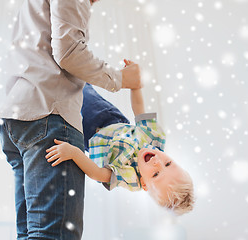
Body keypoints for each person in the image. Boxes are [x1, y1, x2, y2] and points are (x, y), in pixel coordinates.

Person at [0, 1, 142, 239]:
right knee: (53, 235)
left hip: (19, 116)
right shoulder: (152, 139)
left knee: (32, 234)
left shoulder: (132, 176)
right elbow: (69, 51)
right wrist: (121, 79)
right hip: (49, 117)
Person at [45, 61, 195, 216]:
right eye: (168, 163)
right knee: (81, 89)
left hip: (88, 136)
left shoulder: (129, 177)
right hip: (107, 116)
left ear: (144, 184)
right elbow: (139, 110)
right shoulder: (154, 138)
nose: (158, 162)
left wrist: (73, 153)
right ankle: (65, 64)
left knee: (62, 106)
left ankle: (46, 79)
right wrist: (135, 86)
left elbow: (97, 173)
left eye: (156, 174)